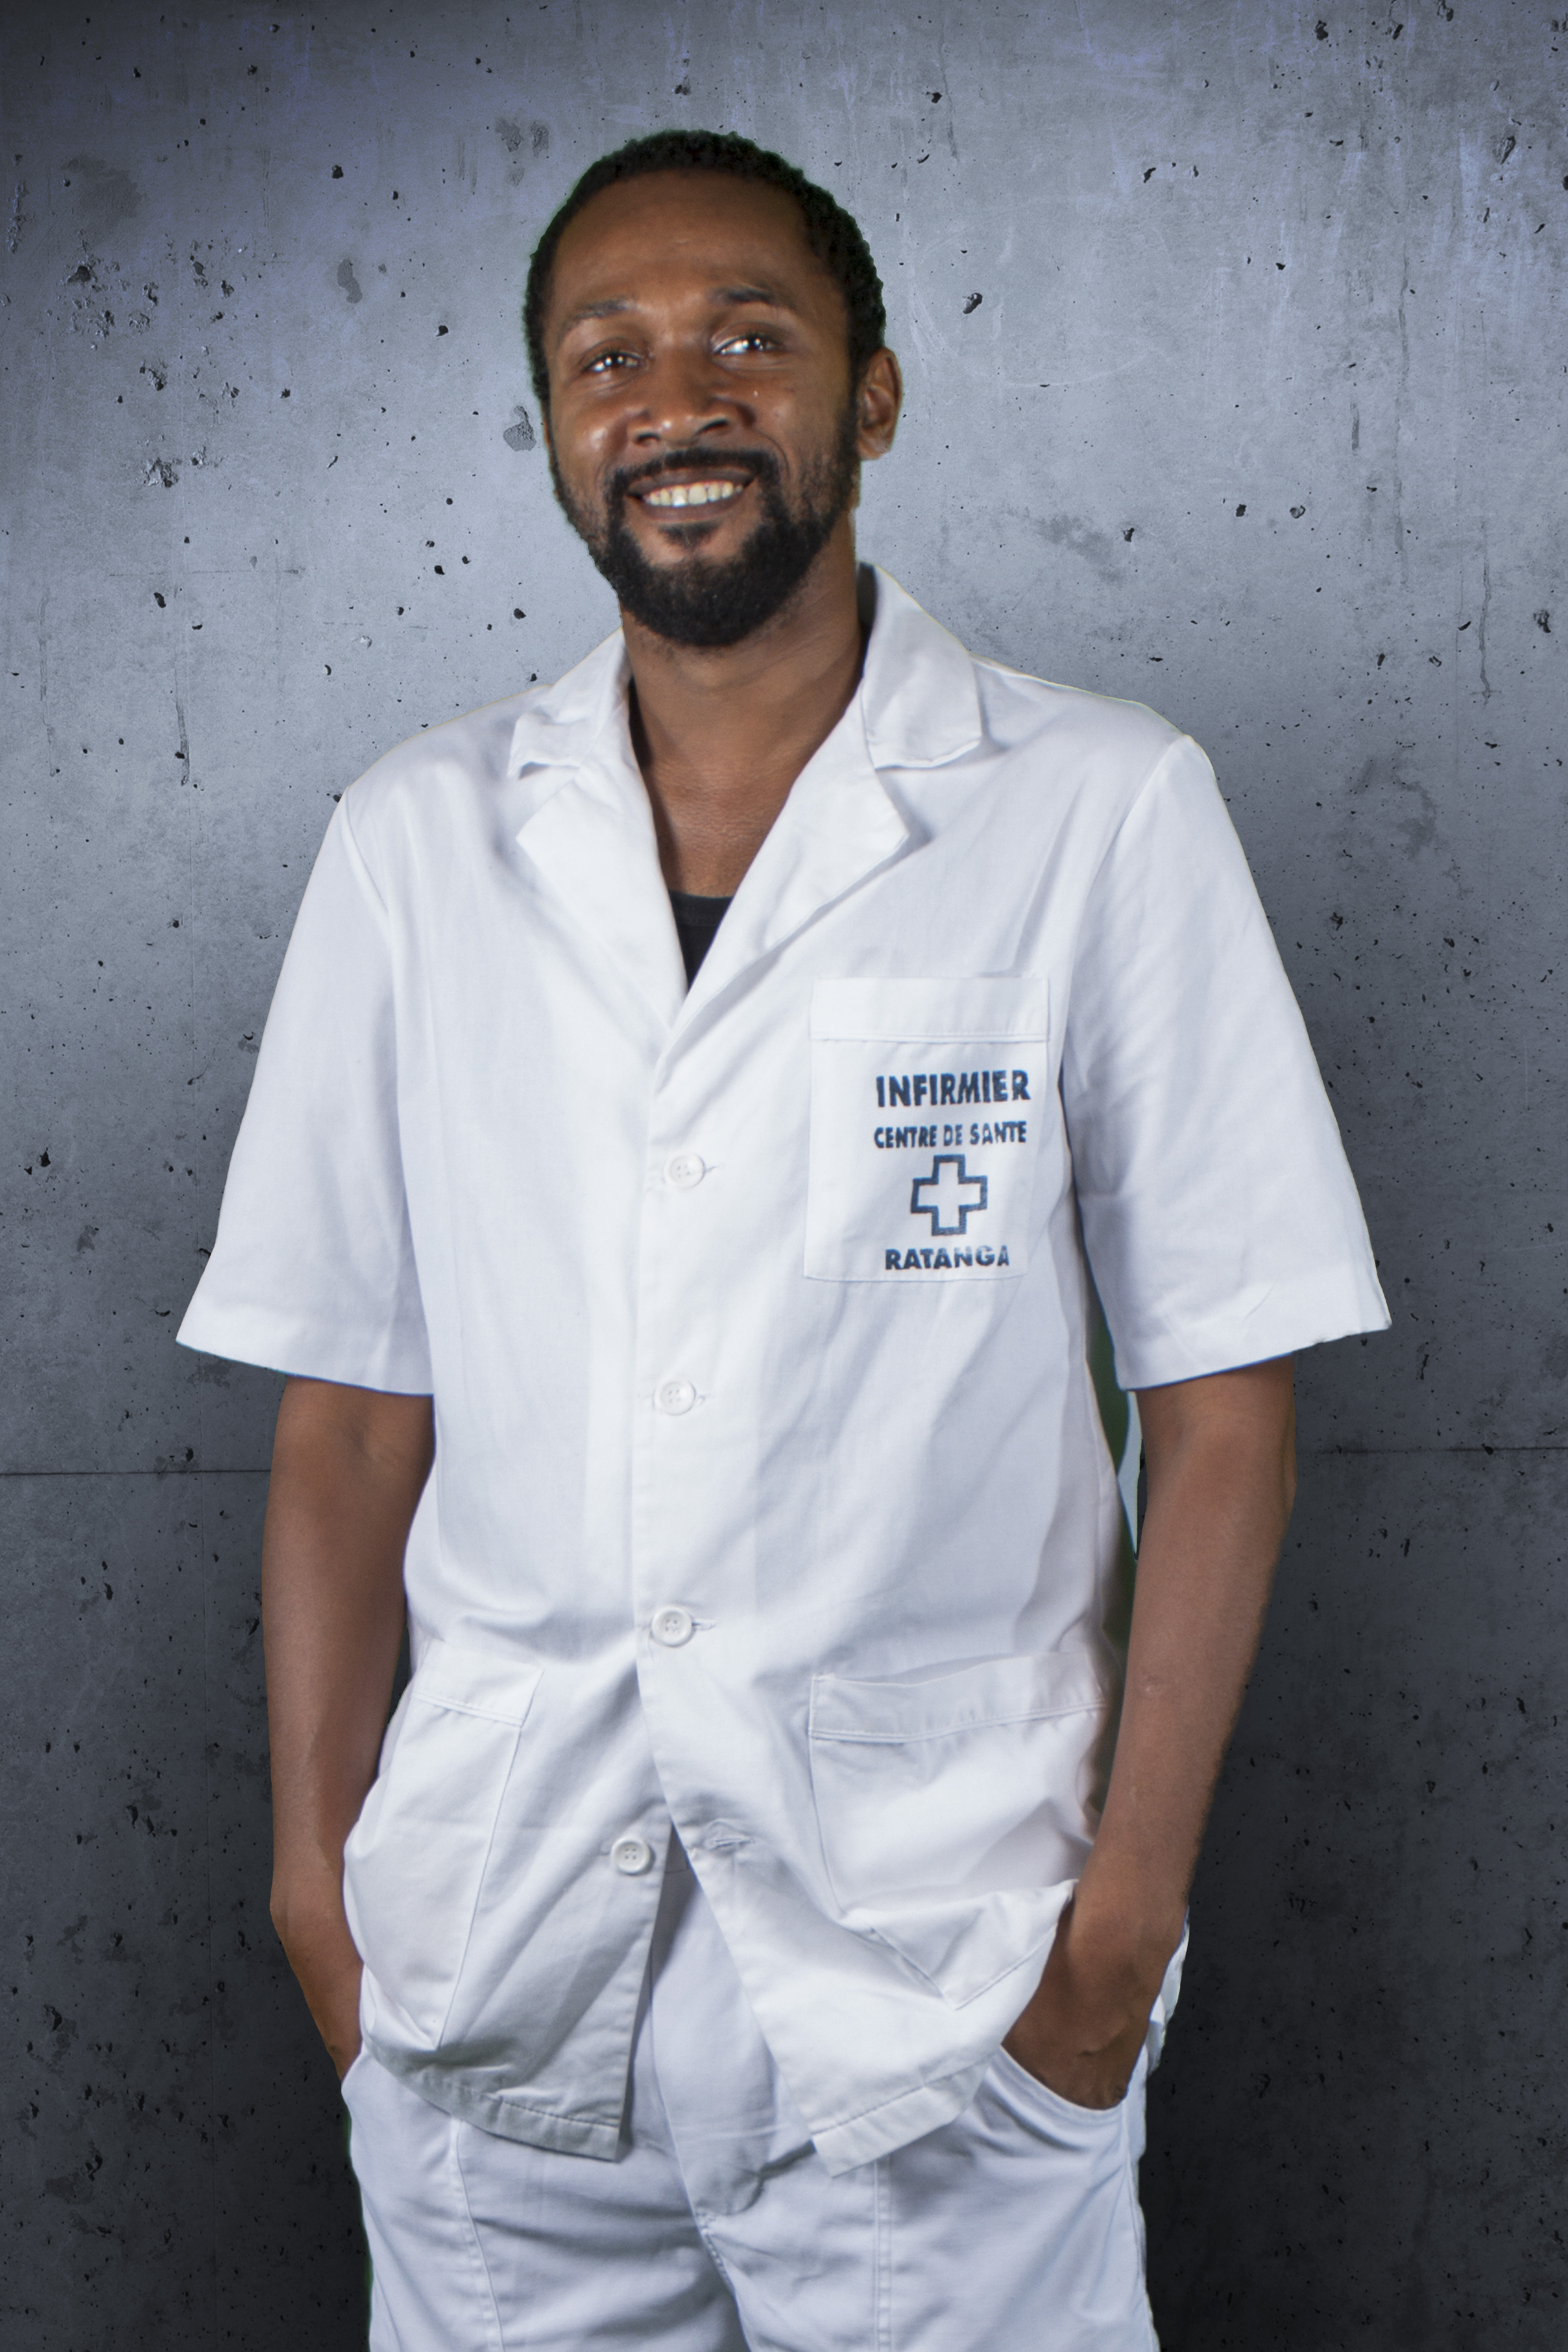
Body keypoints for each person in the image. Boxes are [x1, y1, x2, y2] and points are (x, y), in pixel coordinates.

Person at [178, 129, 1388, 2350]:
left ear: (874, 395)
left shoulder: (1097, 811)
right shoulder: (417, 843)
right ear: (556, 429)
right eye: (608, 356)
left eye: (751, 338)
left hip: (944, 1987)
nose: (679, 399)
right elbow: (347, 1420)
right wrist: (313, 1899)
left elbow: (1229, 1408)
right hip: (491, 1977)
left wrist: (1118, 1937)